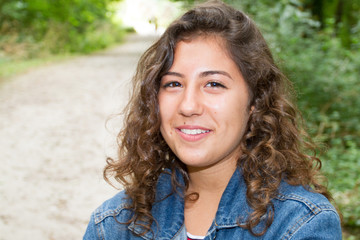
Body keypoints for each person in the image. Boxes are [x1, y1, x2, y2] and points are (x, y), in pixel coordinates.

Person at [83, 1, 342, 239]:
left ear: (255, 101)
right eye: (173, 83)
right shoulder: (113, 226)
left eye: (214, 84)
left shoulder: (299, 224)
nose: (188, 106)